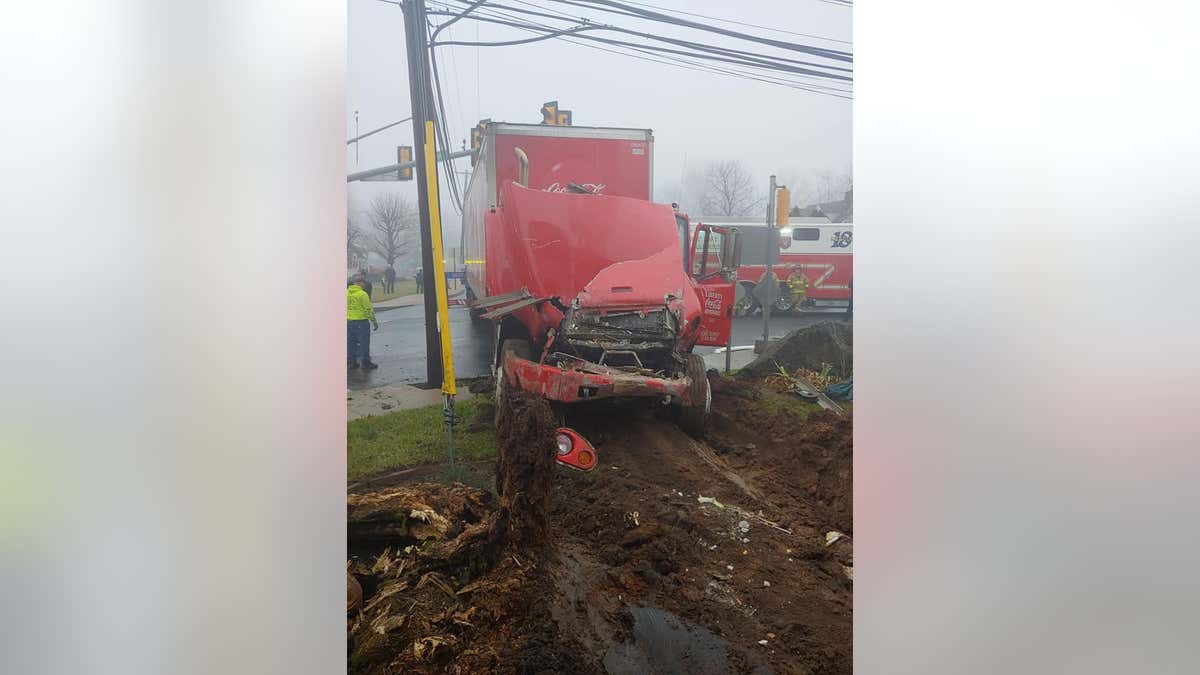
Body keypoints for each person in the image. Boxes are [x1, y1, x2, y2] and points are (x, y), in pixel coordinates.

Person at [347, 276, 379, 370]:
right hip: (361, 322)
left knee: (350, 343)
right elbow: (368, 310)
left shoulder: (346, 293)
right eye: (364, 283)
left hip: (349, 321)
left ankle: (351, 362)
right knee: (364, 343)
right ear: (360, 283)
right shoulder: (362, 294)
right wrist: (374, 322)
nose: (365, 285)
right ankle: (365, 363)